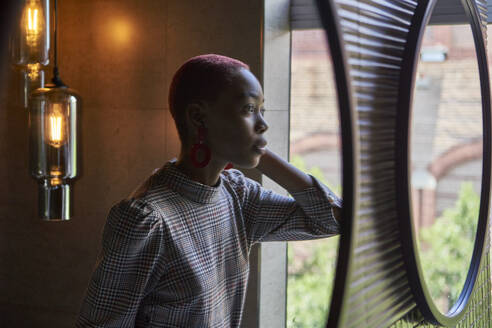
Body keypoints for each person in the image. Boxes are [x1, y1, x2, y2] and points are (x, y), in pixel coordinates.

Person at [76, 54, 342, 327]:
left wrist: (259, 151)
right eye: (249, 109)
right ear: (197, 116)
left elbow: (332, 219)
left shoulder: (238, 196)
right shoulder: (146, 219)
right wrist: (249, 143)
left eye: (262, 110)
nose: (263, 124)